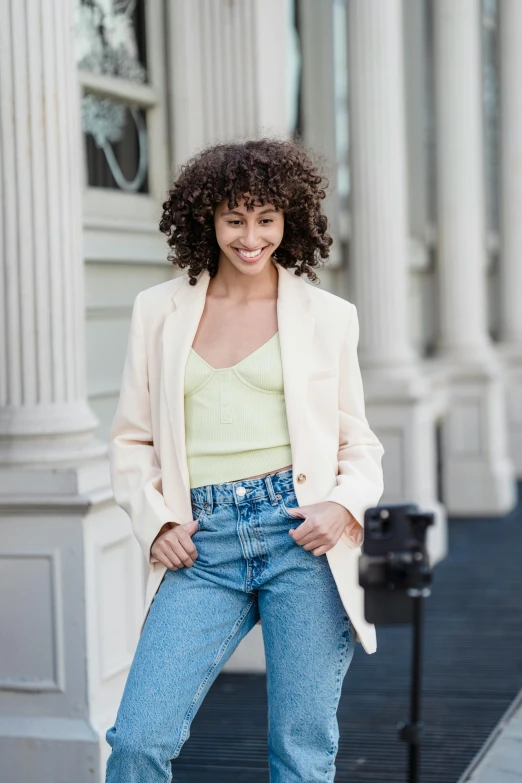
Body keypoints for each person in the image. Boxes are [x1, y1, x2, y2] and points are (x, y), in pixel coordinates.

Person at [105, 138, 385, 782]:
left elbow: (358, 444)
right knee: (139, 740)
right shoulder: (158, 310)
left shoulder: (329, 317)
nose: (250, 237)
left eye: (266, 218)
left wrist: (341, 507)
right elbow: (130, 438)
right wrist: (158, 522)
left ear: (291, 220)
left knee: (301, 750)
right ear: (207, 219)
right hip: (202, 545)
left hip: (301, 539)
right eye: (234, 218)